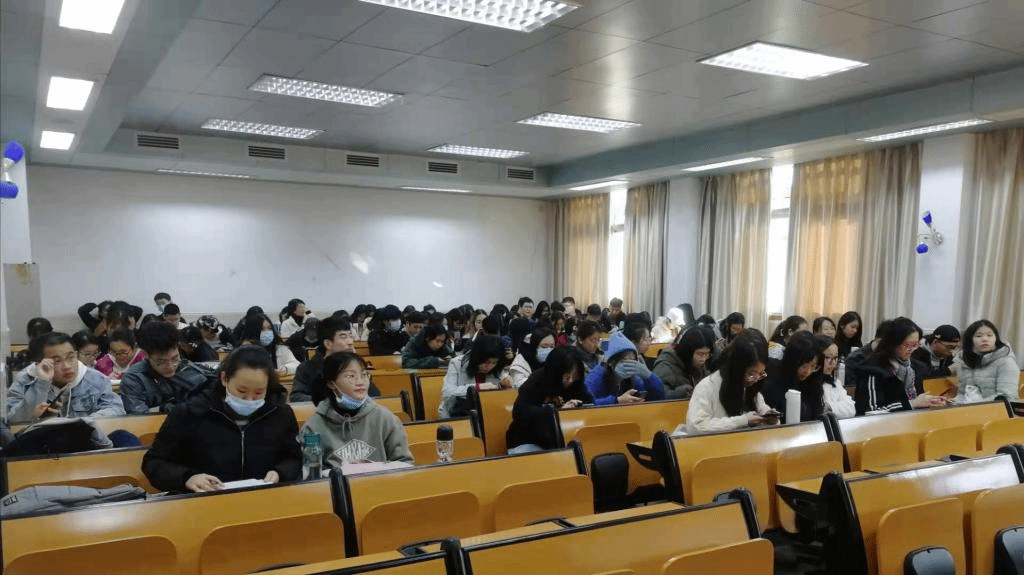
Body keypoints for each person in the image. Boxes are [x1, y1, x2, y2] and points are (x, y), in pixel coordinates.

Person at [141, 345, 302, 493]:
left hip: (264, 499)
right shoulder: (190, 413)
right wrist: (187, 478)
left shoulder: (280, 413)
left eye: (259, 392)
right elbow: (153, 463)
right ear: (225, 379)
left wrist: (280, 472)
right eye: (242, 391)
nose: (250, 399)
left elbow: (294, 457)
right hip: (203, 503)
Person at [299, 352, 413, 467]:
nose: (360, 382)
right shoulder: (312, 428)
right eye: (351, 376)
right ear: (331, 383)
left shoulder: (386, 419)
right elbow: (312, 471)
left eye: (364, 375)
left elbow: (405, 463)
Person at [7, 332, 125, 424]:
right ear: (39, 363)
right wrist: (41, 383)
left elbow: (116, 409)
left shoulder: (96, 379)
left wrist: (85, 422)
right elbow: (12, 420)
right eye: (57, 361)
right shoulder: (25, 380)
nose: (67, 366)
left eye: (71, 357)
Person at [506, 346, 594, 454]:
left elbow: (589, 404)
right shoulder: (537, 380)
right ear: (556, 372)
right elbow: (521, 413)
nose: (570, 380)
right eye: (567, 376)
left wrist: (577, 407)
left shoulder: (576, 384)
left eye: (575, 375)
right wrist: (557, 413)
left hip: (562, 441)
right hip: (527, 440)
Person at [685, 336, 779, 435]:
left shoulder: (750, 387)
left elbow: (761, 408)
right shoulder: (707, 387)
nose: (756, 379)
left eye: (760, 373)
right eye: (751, 373)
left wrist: (768, 417)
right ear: (736, 367)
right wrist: (743, 420)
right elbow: (695, 427)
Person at [120, 321, 219, 414]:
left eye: (175, 359)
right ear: (146, 354)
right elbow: (137, 415)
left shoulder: (191, 370)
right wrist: (163, 408)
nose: (170, 367)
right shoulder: (134, 378)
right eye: (161, 362)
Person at [852, 317, 946, 415]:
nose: (912, 349)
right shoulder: (872, 368)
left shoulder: (916, 368)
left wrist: (930, 401)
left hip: (910, 419)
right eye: (907, 345)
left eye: (915, 344)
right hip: (881, 423)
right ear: (893, 344)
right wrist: (912, 403)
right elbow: (872, 411)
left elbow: (918, 401)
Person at [290, 316, 380, 403]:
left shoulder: (356, 366)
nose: (350, 342)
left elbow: (375, 395)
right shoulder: (307, 368)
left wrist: (356, 362)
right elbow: (297, 397)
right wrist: (335, 400)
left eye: (350, 336)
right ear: (328, 344)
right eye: (343, 337)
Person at [439, 335, 512, 418]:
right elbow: (447, 392)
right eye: (486, 362)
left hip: (487, 415)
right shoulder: (457, 363)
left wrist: (503, 386)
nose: (489, 367)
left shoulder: (497, 368)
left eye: (494, 363)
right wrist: (476, 388)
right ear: (477, 357)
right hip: (456, 415)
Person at [584, 331, 665, 406]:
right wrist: (617, 401)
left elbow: (660, 399)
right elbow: (585, 404)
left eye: (632, 361)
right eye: (624, 361)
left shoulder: (634, 379)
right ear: (611, 362)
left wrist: (649, 376)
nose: (629, 365)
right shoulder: (596, 377)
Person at [761, 332, 824, 421]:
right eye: (804, 365)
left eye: (814, 366)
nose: (808, 371)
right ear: (792, 360)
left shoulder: (813, 382)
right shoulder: (773, 380)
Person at [953, 320, 1019, 403]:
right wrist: (953, 402)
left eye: (989, 335)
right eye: (979, 336)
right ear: (970, 340)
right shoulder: (965, 362)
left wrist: (974, 406)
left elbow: (1006, 397)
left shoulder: (1006, 362)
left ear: (996, 339)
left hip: (997, 409)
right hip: (969, 408)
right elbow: (962, 394)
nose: (985, 339)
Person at [654, 326, 716, 400]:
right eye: (700, 354)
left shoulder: (697, 365)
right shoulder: (665, 366)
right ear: (688, 352)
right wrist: (682, 393)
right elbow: (658, 396)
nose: (703, 359)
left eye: (707, 354)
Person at [816, 335, 856, 419]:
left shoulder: (835, 382)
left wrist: (829, 407)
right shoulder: (809, 382)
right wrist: (837, 406)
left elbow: (851, 408)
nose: (833, 363)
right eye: (828, 357)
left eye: (835, 358)